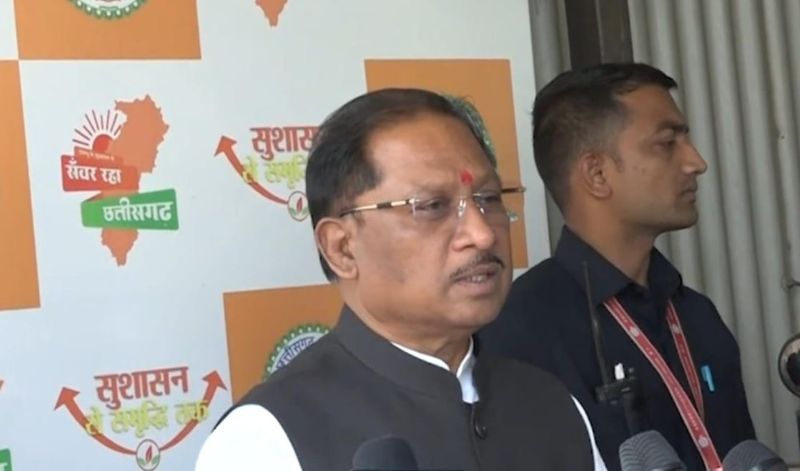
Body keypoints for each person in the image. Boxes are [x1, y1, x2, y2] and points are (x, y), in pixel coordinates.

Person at [195, 88, 607, 470]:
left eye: (488, 199)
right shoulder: (267, 437)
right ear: (342, 248)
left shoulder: (551, 402)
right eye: (431, 206)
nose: (482, 233)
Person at [478, 63, 756, 470]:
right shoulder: (517, 332)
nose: (696, 162)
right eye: (667, 143)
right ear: (597, 174)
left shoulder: (698, 316)